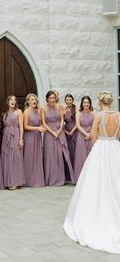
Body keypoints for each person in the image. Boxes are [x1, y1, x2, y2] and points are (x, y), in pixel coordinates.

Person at [63, 92, 120, 254]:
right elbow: (119, 134)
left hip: (101, 147)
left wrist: (97, 147)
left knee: (96, 182)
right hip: (115, 146)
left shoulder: (99, 115)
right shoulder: (118, 115)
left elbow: (93, 133)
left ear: (100, 101)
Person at [42, 90, 74, 186]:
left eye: (53, 98)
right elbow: (43, 123)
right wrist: (52, 132)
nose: (52, 100)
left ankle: (60, 179)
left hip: (59, 132)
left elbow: (62, 120)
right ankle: (50, 179)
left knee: (60, 155)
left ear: (56, 98)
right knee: (50, 155)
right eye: (50, 98)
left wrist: (59, 131)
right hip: (49, 133)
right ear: (47, 99)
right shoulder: (43, 109)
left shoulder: (59, 107)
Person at [1, 95, 25, 190]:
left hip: (15, 134)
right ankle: (8, 181)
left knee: (15, 157)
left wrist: (20, 139)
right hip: (6, 135)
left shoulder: (19, 112)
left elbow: (21, 126)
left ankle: (16, 181)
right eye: (11, 99)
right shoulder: (5, 113)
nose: (13, 101)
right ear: (8, 101)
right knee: (7, 157)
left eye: (14, 100)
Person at [23, 93, 45, 187]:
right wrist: (38, 129)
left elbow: (40, 123)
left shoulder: (38, 111)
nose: (34, 101)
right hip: (29, 136)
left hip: (37, 136)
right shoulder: (26, 112)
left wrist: (41, 127)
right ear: (28, 101)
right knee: (30, 157)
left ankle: (37, 179)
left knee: (37, 156)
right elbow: (25, 126)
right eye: (32, 99)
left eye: (35, 99)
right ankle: (29, 180)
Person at [73, 96, 94, 182]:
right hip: (81, 136)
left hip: (91, 135)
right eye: (84, 102)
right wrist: (85, 133)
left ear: (90, 103)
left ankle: (91, 177)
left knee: (91, 155)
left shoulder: (94, 112)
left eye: (87, 102)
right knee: (81, 155)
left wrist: (90, 134)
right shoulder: (78, 112)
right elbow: (78, 125)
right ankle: (80, 178)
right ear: (82, 103)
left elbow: (95, 125)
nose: (86, 104)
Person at [63, 94, 77, 168]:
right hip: (66, 132)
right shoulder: (63, 110)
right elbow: (61, 122)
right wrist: (66, 131)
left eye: (70, 100)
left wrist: (72, 131)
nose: (69, 101)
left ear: (72, 100)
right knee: (68, 151)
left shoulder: (76, 109)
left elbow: (78, 123)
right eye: (67, 100)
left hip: (75, 132)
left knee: (75, 150)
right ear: (65, 101)